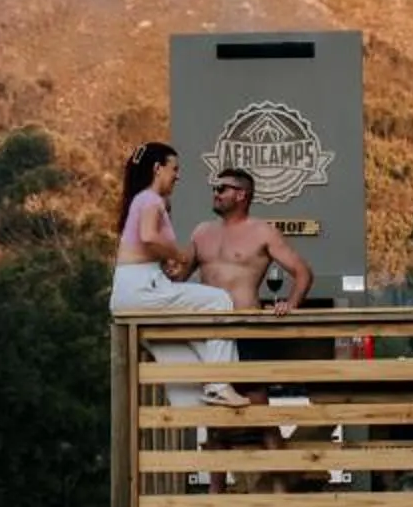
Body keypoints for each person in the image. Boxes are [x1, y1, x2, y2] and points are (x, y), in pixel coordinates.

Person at [111, 141, 245, 408]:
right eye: (175, 169)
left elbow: (140, 249)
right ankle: (219, 385)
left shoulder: (139, 201)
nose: (178, 175)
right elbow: (149, 237)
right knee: (219, 301)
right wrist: (177, 254)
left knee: (193, 351)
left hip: (133, 289)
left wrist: (164, 262)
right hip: (143, 289)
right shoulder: (150, 199)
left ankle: (200, 411)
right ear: (158, 169)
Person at [189, 167, 313, 314]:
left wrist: (290, 305)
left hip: (245, 325)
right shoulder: (201, 232)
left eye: (221, 189)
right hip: (204, 324)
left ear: (241, 194)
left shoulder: (263, 232)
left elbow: (303, 273)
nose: (216, 194)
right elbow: (177, 276)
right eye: (214, 188)